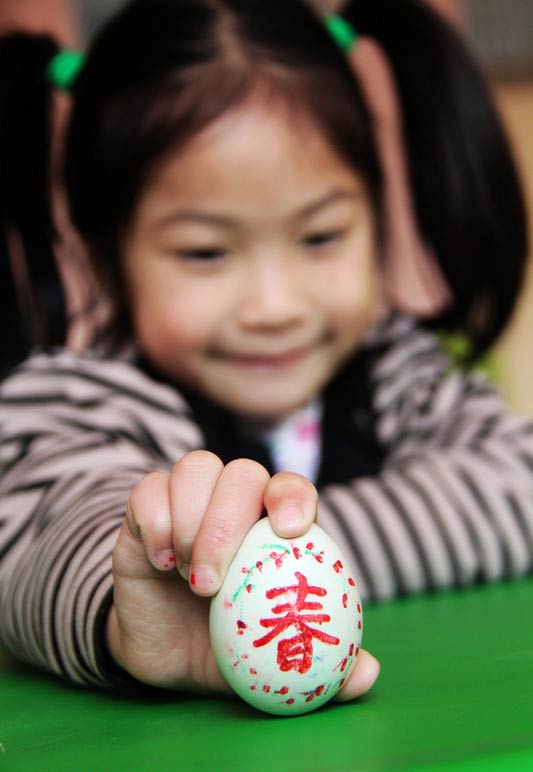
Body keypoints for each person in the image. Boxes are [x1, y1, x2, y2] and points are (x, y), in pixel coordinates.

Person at [0, 0, 530, 699]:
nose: (275, 307)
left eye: (320, 237)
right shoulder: (75, 399)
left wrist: (256, 569)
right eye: (206, 252)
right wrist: (137, 601)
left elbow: (517, 481)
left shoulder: (400, 373)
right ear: (107, 256)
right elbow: (43, 538)